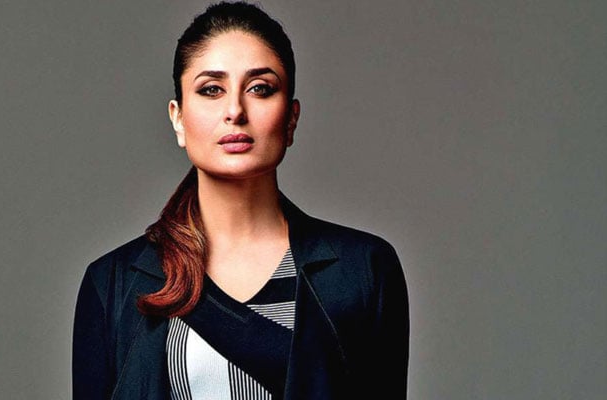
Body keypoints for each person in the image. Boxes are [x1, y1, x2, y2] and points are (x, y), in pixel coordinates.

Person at [72, 1, 409, 399]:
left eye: (260, 89)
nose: (235, 111)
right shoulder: (113, 283)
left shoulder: (364, 271)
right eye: (211, 90)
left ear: (291, 118)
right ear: (178, 118)